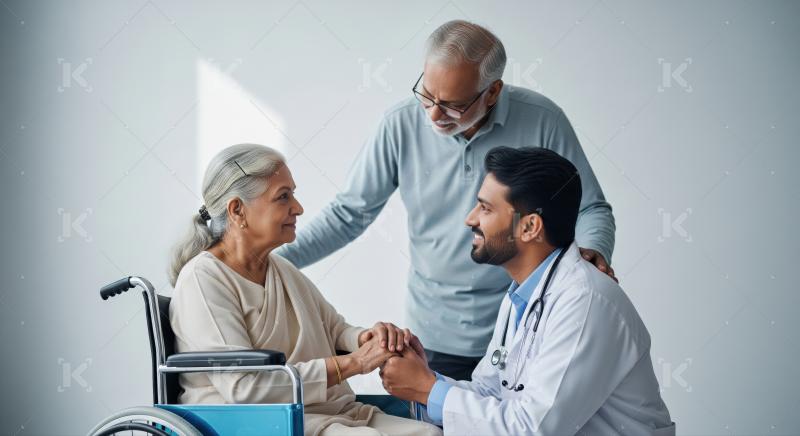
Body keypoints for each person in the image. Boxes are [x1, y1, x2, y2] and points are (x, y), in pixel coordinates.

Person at [276, 20, 617, 380]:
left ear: (493, 91)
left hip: (527, 326)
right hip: (436, 335)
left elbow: (591, 208)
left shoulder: (543, 120)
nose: (434, 115)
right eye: (426, 94)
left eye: (453, 105)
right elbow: (349, 215)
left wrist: (593, 252)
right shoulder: (400, 124)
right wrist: (264, 260)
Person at [379, 147, 674, 435]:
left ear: (530, 226)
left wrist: (427, 389)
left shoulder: (585, 301)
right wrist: (423, 379)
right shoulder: (523, 294)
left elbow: (534, 429)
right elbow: (490, 391)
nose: (470, 219)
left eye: (485, 208)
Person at [168, 144, 442, 436]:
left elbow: (335, 331)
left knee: (429, 433)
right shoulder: (203, 279)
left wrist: (370, 338)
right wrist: (354, 363)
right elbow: (244, 387)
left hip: (326, 411)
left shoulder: (280, 269)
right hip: (259, 422)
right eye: (283, 197)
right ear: (237, 210)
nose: (297, 208)